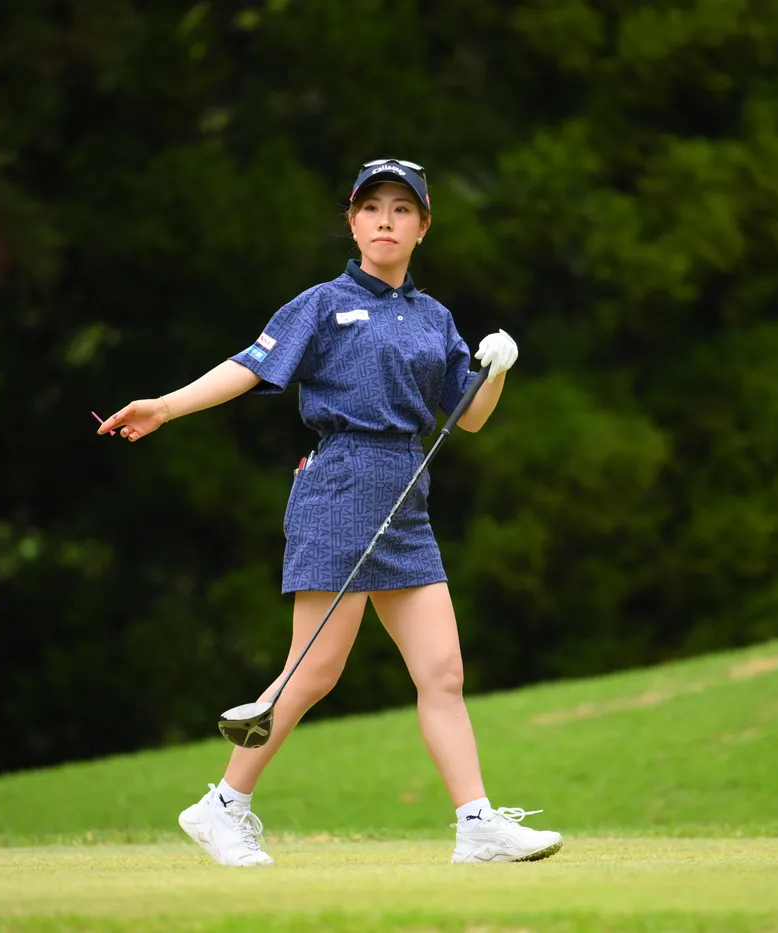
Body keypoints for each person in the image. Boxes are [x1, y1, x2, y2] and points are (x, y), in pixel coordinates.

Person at [97, 158, 562, 867]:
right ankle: (222, 807)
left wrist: (494, 371)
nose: (385, 220)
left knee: (443, 671)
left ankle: (476, 825)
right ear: (352, 222)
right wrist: (165, 405)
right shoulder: (321, 304)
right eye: (371, 208)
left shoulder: (434, 317)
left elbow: (466, 416)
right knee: (313, 670)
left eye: (401, 210)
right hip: (339, 487)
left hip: (405, 499)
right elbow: (251, 365)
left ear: (423, 226)